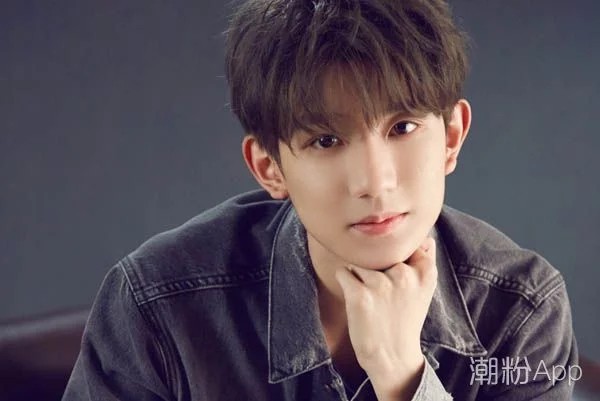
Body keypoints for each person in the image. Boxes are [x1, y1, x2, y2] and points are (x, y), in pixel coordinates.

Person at [62, 0, 578, 400]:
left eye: (402, 127)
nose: (374, 182)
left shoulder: (522, 309)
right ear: (270, 167)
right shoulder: (157, 305)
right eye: (326, 141)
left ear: (451, 137)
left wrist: (402, 375)